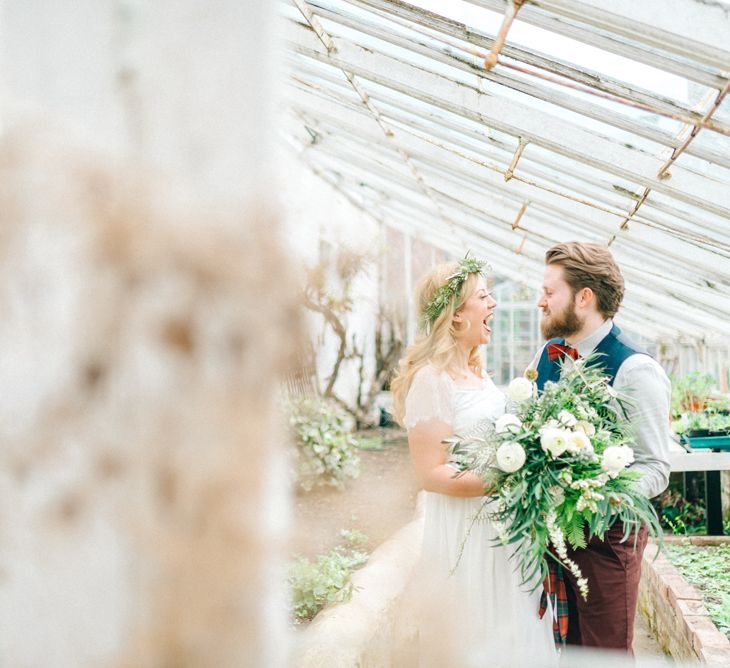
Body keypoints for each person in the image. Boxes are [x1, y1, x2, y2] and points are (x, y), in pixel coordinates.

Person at [391, 257, 558, 667]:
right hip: (468, 538)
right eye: (483, 297)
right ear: (454, 318)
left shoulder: (477, 375)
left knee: (515, 636)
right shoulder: (431, 380)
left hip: (507, 534)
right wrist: (509, 478)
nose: (494, 305)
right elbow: (431, 473)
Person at [531, 241, 671, 653]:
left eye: (550, 292)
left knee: (604, 654)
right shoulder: (546, 355)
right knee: (567, 651)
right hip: (554, 536)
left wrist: (597, 498)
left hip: (608, 542)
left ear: (584, 297)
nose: (541, 302)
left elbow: (655, 466)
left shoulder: (635, 369)